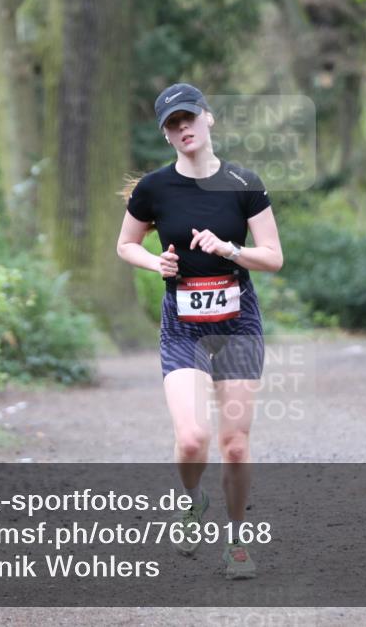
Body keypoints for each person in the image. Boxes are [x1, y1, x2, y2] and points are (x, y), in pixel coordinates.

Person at [116, 83, 283, 580]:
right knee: (191, 438)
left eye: (189, 117)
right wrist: (156, 263)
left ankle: (235, 542)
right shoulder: (154, 189)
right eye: (172, 123)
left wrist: (230, 250)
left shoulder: (244, 182)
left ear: (208, 119)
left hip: (238, 323)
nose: (183, 127)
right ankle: (192, 502)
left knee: (234, 443)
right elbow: (126, 245)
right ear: (166, 135)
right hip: (182, 327)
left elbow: (273, 258)